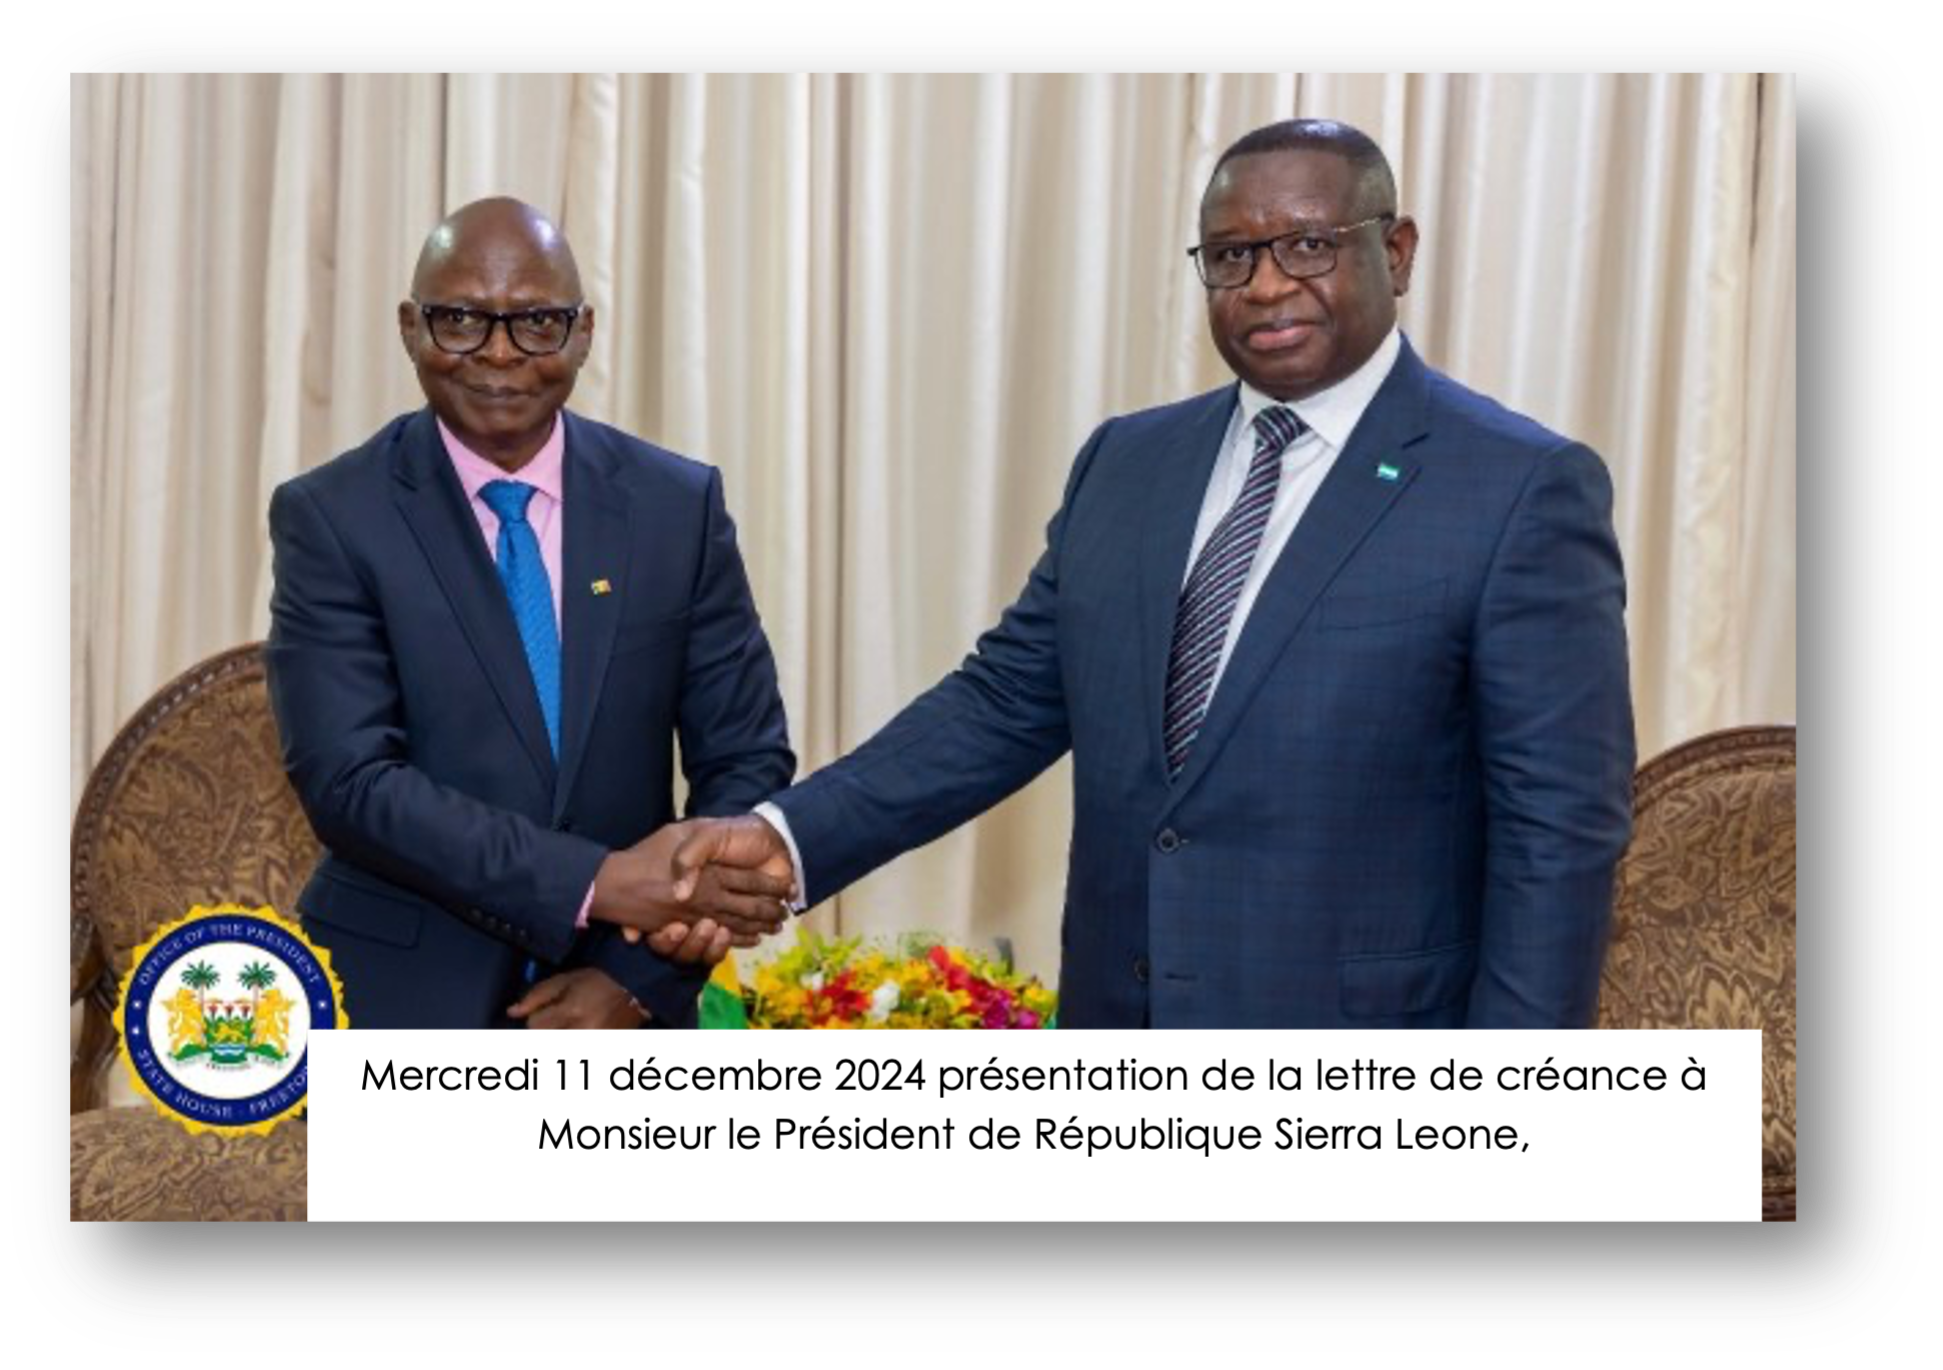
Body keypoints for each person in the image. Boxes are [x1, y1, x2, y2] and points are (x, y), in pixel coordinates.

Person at [662, 119, 1637, 1028]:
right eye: (1230, 255)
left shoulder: (1516, 488)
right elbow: (1002, 702)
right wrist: (787, 837)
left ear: (1395, 251)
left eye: (1307, 245)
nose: (1265, 285)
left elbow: (1557, 834)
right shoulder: (1128, 463)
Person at [265, 197, 796, 1029]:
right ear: (409, 328)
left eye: (537, 322)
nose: (499, 352)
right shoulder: (332, 516)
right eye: (460, 319)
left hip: (632, 989)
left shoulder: (676, 506)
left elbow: (744, 760)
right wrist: (593, 882)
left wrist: (636, 980)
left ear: (583, 333)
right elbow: (351, 781)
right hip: (400, 997)